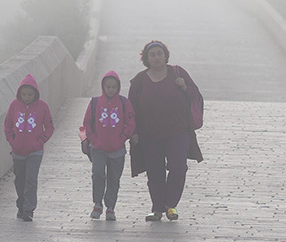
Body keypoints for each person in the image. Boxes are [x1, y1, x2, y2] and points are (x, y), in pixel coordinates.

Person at [128, 40, 203, 222]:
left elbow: (196, 95)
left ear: (165, 55)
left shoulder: (178, 73)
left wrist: (184, 87)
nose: (156, 57)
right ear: (146, 58)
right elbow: (131, 109)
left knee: (178, 167)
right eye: (152, 54)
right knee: (155, 173)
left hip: (178, 133)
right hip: (149, 136)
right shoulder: (139, 80)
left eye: (159, 54)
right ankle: (157, 209)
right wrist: (134, 132)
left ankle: (170, 205)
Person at [82, 70, 136, 221]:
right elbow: (87, 123)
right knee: (98, 174)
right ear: (103, 87)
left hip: (117, 150)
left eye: (113, 87)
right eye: (108, 86)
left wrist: (122, 138)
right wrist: (93, 139)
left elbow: (130, 123)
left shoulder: (124, 103)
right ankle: (97, 203)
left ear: (118, 87)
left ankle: (110, 206)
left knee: (114, 178)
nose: (111, 89)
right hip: (98, 148)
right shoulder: (95, 103)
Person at [4, 74, 53, 222]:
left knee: (31, 179)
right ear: (19, 93)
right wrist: (12, 141)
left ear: (35, 94)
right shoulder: (14, 105)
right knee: (19, 179)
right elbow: (7, 125)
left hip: (35, 151)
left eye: (30, 95)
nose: (27, 97)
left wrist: (41, 141)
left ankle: (29, 209)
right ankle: (21, 205)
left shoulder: (42, 107)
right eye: (24, 94)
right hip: (18, 151)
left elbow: (49, 127)